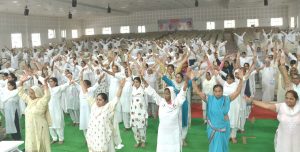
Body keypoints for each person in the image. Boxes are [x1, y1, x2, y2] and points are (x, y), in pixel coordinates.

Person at [191, 70, 243, 152]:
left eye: (219, 91)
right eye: (216, 91)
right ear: (213, 92)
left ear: (222, 91)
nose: (218, 93)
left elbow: (237, 91)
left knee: (223, 147)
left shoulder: (226, 99)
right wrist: (193, 80)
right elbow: (198, 91)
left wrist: (241, 80)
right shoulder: (209, 99)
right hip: (212, 128)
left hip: (224, 127)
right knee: (214, 147)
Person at [143, 72, 188, 152]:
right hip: (163, 132)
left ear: (172, 94)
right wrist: (142, 79)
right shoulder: (161, 102)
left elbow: (183, 92)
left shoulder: (176, 103)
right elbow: (152, 92)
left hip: (174, 132)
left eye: (168, 94)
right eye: (165, 93)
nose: (165, 95)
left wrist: (187, 80)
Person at [86, 79, 125, 152]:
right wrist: (81, 79)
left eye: (100, 100)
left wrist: (120, 87)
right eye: (97, 99)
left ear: (105, 101)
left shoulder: (108, 107)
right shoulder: (94, 105)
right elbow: (85, 93)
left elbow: (117, 97)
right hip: (93, 134)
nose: (97, 101)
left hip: (104, 134)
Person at [18, 74, 51, 152]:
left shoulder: (41, 101)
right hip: (30, 127)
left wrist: (45, 83)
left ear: (37, 93)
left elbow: (47, 96)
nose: (29, 94)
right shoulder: (29, 100)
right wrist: (21, 82)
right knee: (31, 144)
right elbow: (21, 93)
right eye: (29, 92)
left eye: (31, 93)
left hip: (40, 127)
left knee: (41, 145)